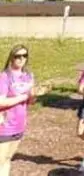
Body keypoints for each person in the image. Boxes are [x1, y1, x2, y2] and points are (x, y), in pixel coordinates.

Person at [0, 45, 46, 176]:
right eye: (18, 56)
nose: (21, 59)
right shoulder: (4, 77)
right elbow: (1, 102)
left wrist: (34, 95)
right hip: (4, 125)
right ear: (11, 57)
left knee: (7, 159)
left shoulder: (28, 76)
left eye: (24, 56)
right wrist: (24, 96)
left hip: (19, 124)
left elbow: (30, 102)